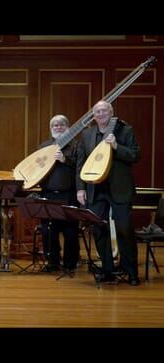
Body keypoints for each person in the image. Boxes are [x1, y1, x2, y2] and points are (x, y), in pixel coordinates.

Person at [76, 100, 140, 286]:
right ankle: (107, 270)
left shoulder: (125, 130)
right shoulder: (87, 135)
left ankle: (131, 272)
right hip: (95, 189)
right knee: (99, 230)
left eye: (104, 110)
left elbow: (135, 155)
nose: (101, 113)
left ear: (111, 113)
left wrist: (117, 147)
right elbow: (80, 163)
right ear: (93, 116)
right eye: (97, 111)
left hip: (120, 189)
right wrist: (80, 188)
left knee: (124, 230)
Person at [38, 114, 79, 273]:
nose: (58, 127)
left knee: (70, 231)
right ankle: (52, 263)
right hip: (48, 194)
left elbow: (81, 168)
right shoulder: (44, 146)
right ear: (51, 128)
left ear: (68, 127)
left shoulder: (76, 146)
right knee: (48, 231)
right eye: (54, 125)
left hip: (69, 195)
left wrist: (65, 160)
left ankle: (70, 264)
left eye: (61, 124)